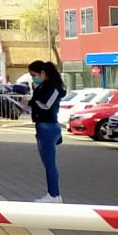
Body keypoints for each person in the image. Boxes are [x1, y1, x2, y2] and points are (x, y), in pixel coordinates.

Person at [27, 60, 65, 202]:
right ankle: (53, 194)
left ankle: (54, 195)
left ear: (43, 73)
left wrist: (32, 103)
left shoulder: (53, 88)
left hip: (48, 127)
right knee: (48, 163)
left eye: (34, 75)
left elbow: (46, 106)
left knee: (49, 163)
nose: (33, 78)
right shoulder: (42, 87)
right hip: (43, 127)